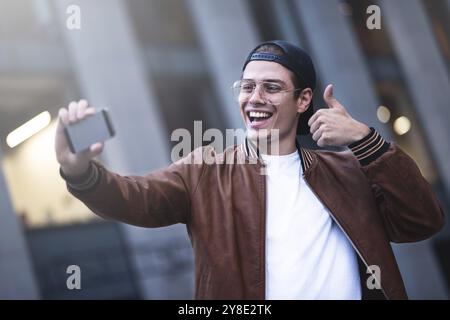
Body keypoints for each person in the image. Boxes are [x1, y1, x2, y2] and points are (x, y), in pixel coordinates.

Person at [55, 40, 444, 300]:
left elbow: (422, 220)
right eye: (247, 86)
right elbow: (132, 199)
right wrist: (79, 171)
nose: (254, 99)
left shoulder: (348, 170)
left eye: (271, 88)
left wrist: (366, 140)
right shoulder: (205, 171)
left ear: (304, 99)